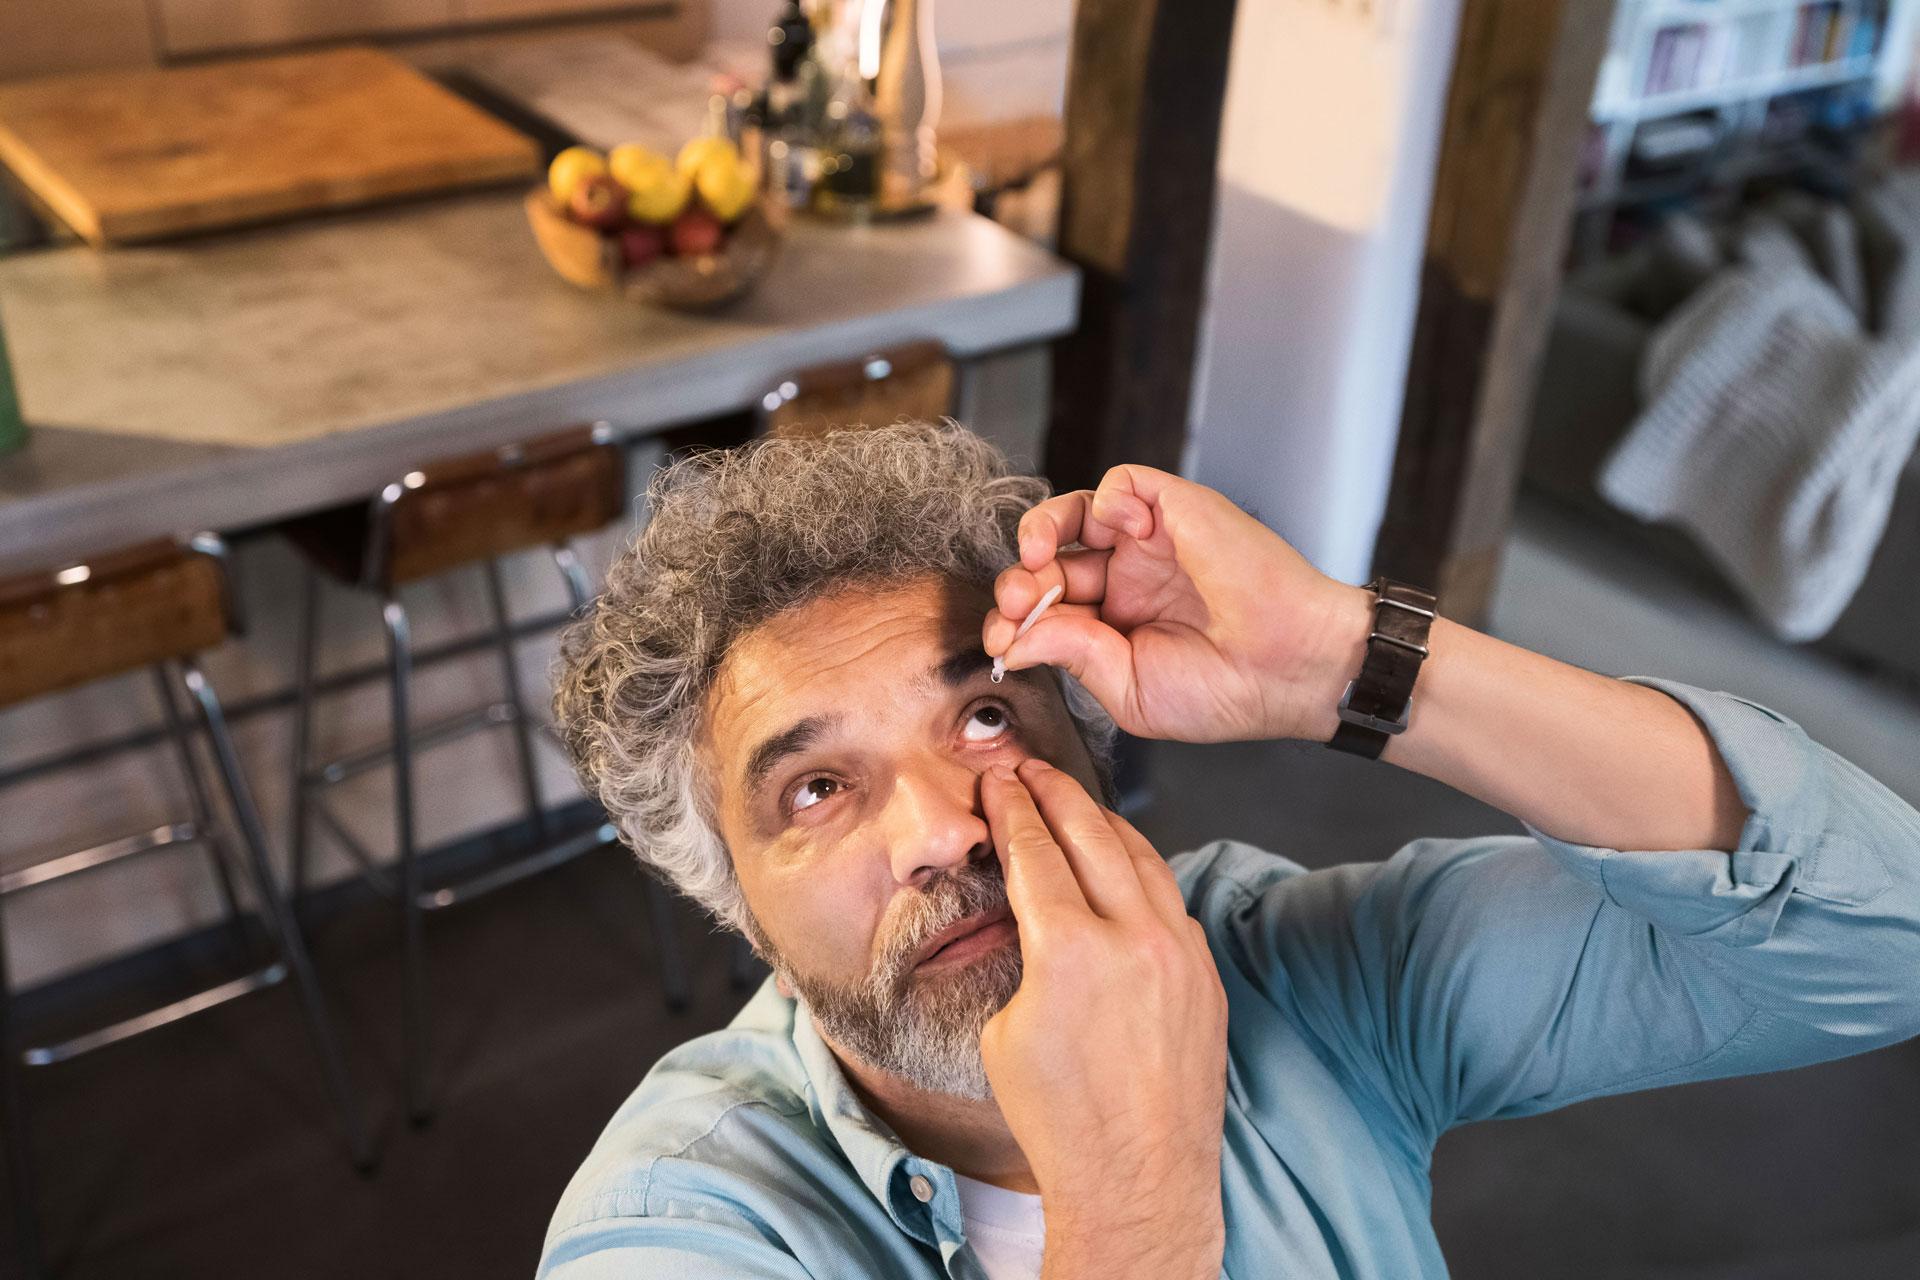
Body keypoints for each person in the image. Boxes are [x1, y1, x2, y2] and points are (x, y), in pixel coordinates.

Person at [538, 422, 1920, 1279]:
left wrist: (1348, 664)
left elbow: (1880, 934)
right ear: (733, 903)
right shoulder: (685, 1225)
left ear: (1092, 745)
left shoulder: (1291, 971)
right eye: (818, 790)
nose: (946, 832)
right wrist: (1132, 1200)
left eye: (981, 714)